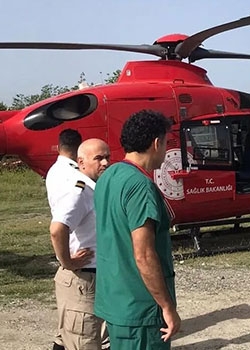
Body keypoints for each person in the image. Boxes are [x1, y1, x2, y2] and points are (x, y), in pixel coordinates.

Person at [94, 110, 180, 350]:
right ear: (156, 143)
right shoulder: (140, 185)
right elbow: (143, 254)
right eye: (166, 142)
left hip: (115, 299)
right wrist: (166, 306)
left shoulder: (108, 176)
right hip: (140, 307)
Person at [49, 138, 111, 350]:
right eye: (98, 158)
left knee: (70, 337)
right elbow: (57, 229)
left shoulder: (94, 188)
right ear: (81, 162)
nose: (105, 163)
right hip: (82, 279)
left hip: (94, 276)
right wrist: (68, 261)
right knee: (83, 340)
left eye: (107, 157)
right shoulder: (80, 191)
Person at [45, 128, 82, 350]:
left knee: (69, 314)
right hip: (77, 244)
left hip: (65, 243)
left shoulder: (53, 171)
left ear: (58, 147)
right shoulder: (76, 175)